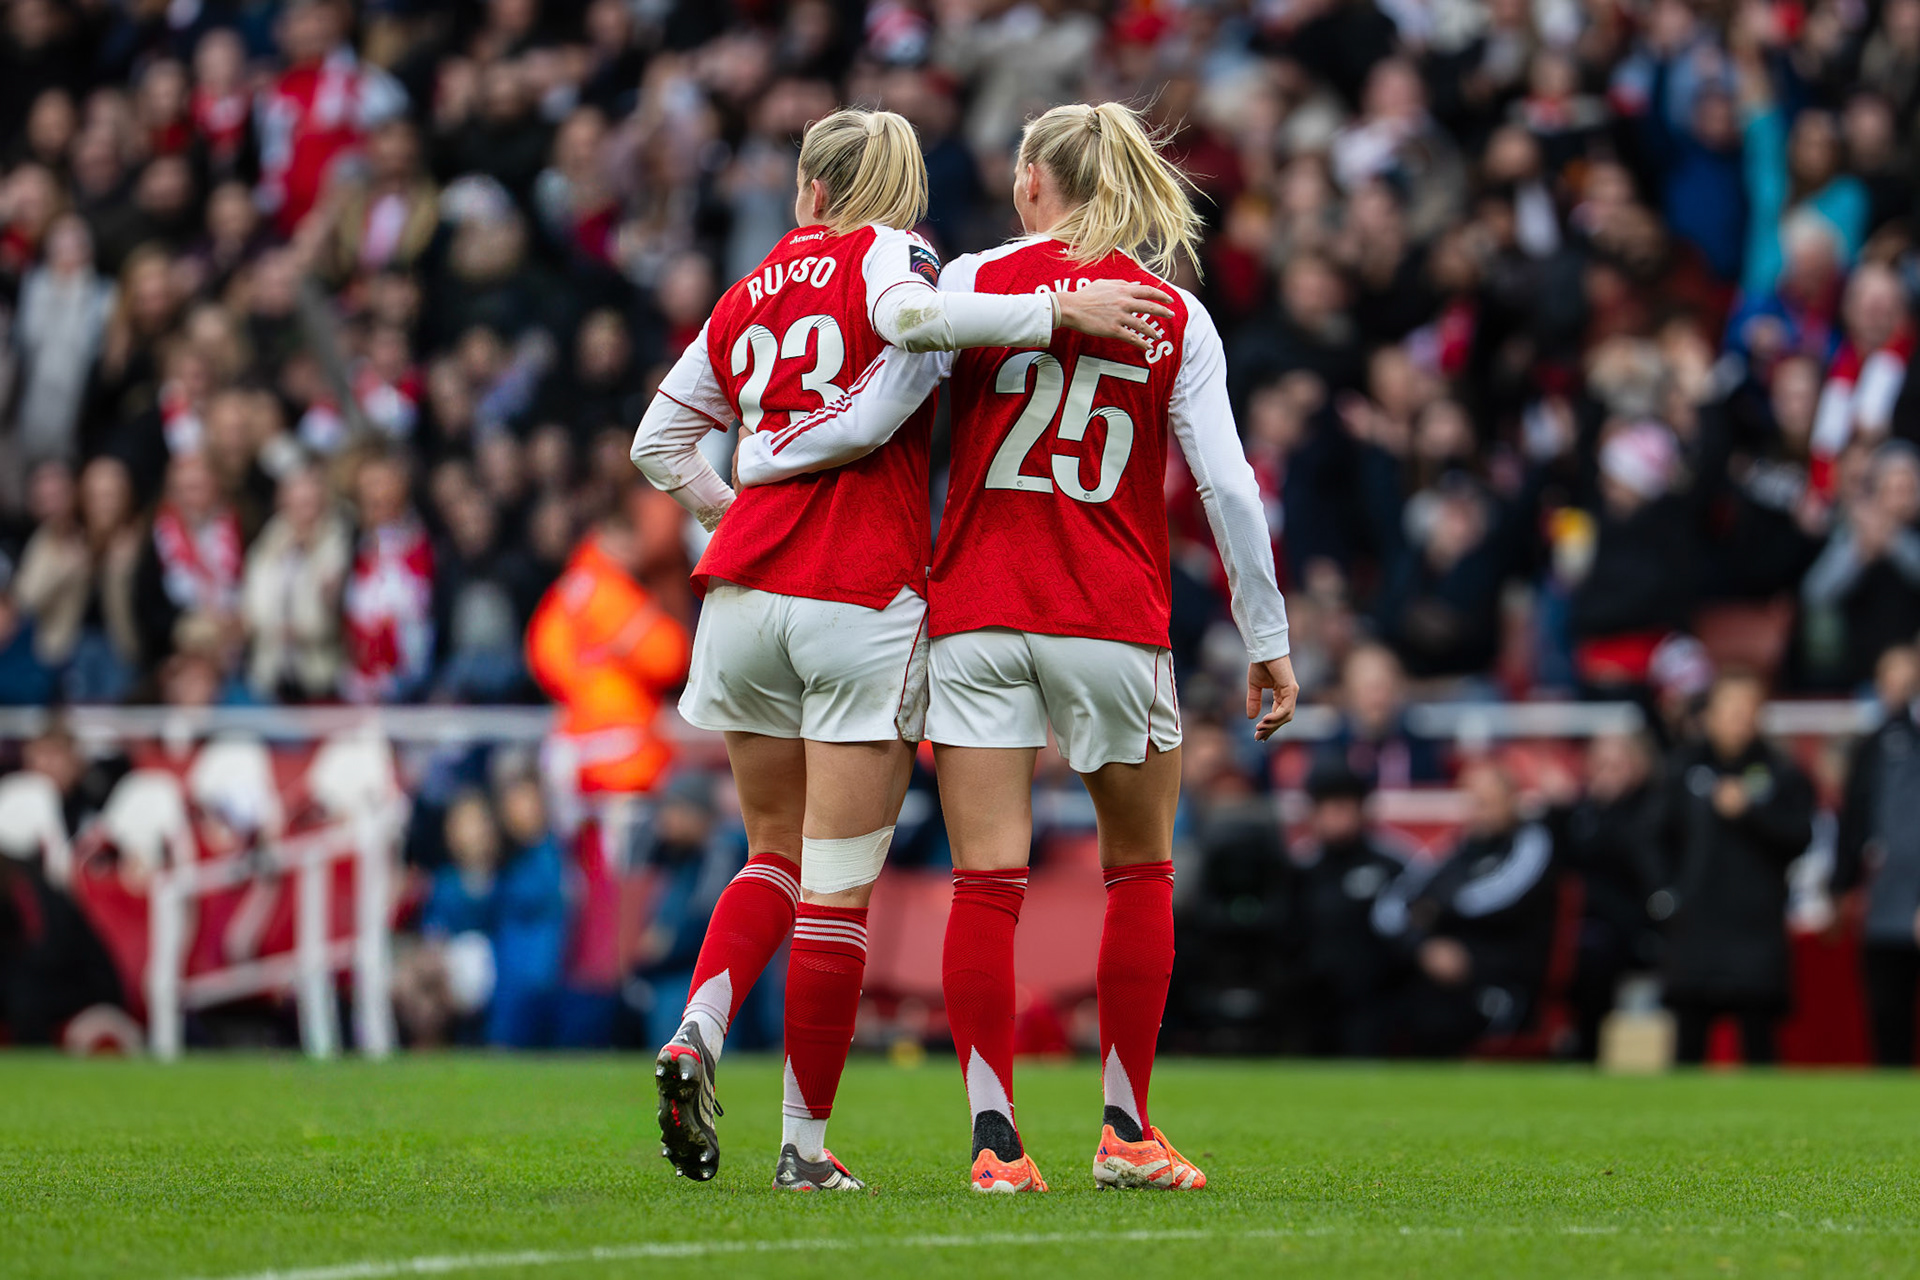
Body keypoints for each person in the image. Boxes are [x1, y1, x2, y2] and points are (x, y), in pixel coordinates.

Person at [736, 101, 1294, 1193]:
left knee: (985, 882)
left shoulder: (974, 282)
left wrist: (762, 460)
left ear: (1037, 178)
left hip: (980, 612)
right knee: (1142, 869)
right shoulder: (1174, 312)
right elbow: (1228, 486)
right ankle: (1127, 1129)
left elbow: (873, 412)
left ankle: (995, 1139)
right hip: (1111, 618)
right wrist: (1266, 638)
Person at [628, 106, 1174, 1191]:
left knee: (769, 854)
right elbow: (919, 326)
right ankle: (801, 1147)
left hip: (739, 591)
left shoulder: (746, 290)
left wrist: (731, 502)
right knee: (835, 889)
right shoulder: (898, 254)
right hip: (854, 591)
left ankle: (700, 1020)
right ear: (890, 189)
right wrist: (1058, 303)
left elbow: (656, 441)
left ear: (809, 189)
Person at [1656, 670, 1814, 1065]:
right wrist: (1663, 893)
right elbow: (1649, 836)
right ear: (1709, 715)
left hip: (1754, 928)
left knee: (1758, 1042)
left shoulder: (1781, 773)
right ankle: (1680, 1124)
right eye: (1731, 709)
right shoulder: (1681, 769)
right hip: (1696, 924)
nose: (1740, 719)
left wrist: (1752, 812)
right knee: (1688, 1042)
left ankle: (1767, 1126)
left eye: (1749, 710)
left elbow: (1801, 836)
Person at [1370, 761, 1559, 1056]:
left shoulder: (1531, 842)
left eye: (1488, 802)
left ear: (1512, 800)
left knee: (1440, 1023)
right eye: (1475, 802)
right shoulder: (1457, 848)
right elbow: (1393, 904)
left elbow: (1500, 897)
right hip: (1442, 973)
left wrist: (1436, 907)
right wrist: (1423, 948)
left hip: (1505, 977)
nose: (1480, 811)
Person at [1291, 760, 1413, 1056]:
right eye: (1328, 806)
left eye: (1345, 805)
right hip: (1313, 1000)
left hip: (1376, 1001)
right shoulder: (1300, 868)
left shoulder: (1393, 864)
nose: (1337, 816)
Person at [1834, 659, 1920, 1067]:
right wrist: (1840, 884)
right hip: (1888, 901)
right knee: (1889, 1013)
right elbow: (1854, 818)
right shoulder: (1881, 741)